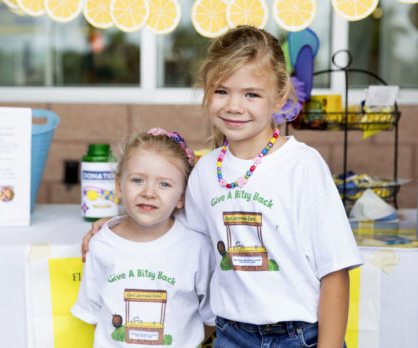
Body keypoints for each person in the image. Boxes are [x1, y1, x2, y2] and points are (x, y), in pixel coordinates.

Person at [83, 26, 363, 348]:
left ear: (281, 97)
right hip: (231, 334)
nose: (234, 105)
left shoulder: (302, 166)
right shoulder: (205, 171)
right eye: (221, 91)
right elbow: (175, 231)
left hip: (300, 337)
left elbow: (335, 273)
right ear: (205, 90)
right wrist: (116, 226)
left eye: (252, 94)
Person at [72, 128, 216, 347]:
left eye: (164, 184)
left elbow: (211, 317)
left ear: (182, 196)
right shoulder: (102, 245)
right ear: (119, 186)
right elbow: (94, 313)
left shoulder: (197, 248)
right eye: (138, 180)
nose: (149, 192)